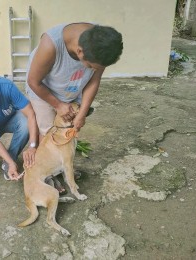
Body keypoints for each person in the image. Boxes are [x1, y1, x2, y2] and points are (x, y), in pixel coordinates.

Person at [25, 23, 123, 193]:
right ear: (79, 52)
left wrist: (82, 114)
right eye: (91, 66)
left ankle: (64, 165)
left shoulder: (101, 46)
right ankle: (50, 174)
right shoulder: (51, 45)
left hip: (71, 87)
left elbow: (93, 81)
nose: (94, 70)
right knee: (49, 132)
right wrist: (57, 105)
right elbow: (33, 82)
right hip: (43, 89)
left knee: (67, 133)